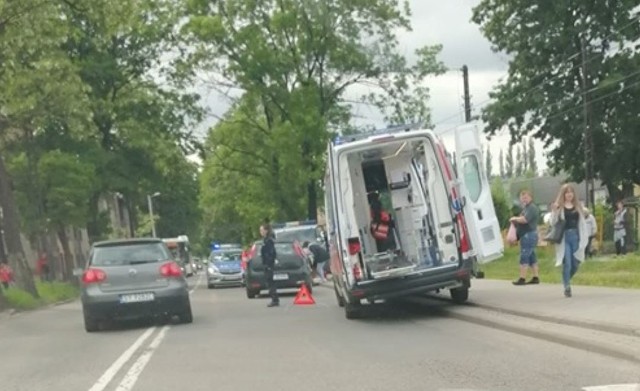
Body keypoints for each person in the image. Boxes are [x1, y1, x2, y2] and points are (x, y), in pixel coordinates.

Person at [549, 184, 588, 298]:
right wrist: (554, 211)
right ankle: (567, 286)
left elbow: (583, 220)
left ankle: (566, 279)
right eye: (567, 192)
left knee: (576, 263)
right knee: (568, 264)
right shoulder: (559, 207)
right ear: (563, 194)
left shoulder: (578, 206)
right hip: (564, 238)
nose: (569, 194)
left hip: (575, 236)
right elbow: (553, 222)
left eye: (571, 192)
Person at [510, 189, 540, 286]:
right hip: (525, 235)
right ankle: (536, 277)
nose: (524, 199)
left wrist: (515, 218)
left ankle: (522, 278)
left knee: (524, 255)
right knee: (532, 256)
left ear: (530, 197)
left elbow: (525, 220)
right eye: (522, 198)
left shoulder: (531, 208)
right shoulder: (525, 208)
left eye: (526, 197)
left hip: (529, 235)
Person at [260, 222, 279, 307]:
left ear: (266, 231)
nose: (260, 232)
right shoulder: (265, 240)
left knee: (270, 282)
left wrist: (268, 264)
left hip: (269, 265)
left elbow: (271, 253)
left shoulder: (268, 241)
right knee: (269, 282)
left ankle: (275, 300)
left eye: (262, 230)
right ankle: (274, 299)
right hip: (266, 264)